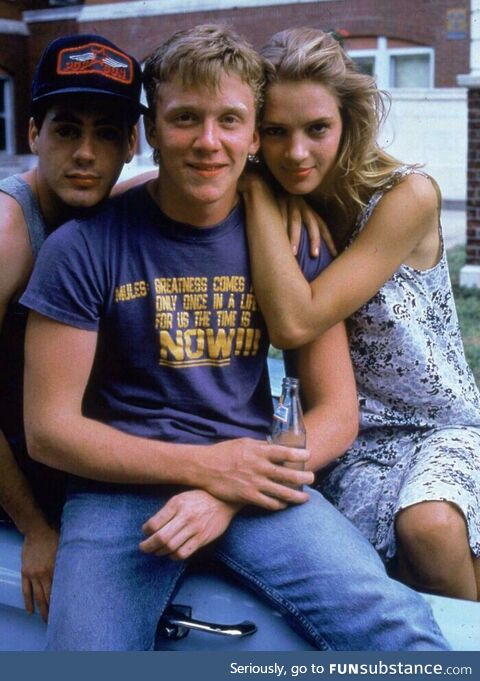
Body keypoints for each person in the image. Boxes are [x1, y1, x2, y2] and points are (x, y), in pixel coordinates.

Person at [21, 24, 449, 651]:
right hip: (117, 495)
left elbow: (336, 412)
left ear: (253, 136)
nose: (207, 141)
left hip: (253, 481)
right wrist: (210, 470)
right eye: (185, 119)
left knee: (402, 630)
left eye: (230, 120)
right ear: (151, 132)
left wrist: (228, 491)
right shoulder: (83, 248)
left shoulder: (287, 243)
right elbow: (50, 430)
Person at [240, 27, 480, 600]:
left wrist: (255, 194)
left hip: (437, 427)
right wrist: (254, 185)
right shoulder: (287, 200)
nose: (296, 152)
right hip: (343, 437)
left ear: (348, 120)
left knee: (430, 528)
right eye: (275, 132)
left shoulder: (408, 196)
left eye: (317, 128)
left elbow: (297, 322)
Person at [0, 33, 143, 621]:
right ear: (32, 133)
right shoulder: (10, 230)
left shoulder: (107, 208)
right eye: (66, 130)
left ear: (131, 144)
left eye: (106, 133)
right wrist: (33, 526)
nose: (85, 153)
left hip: (72, 459)